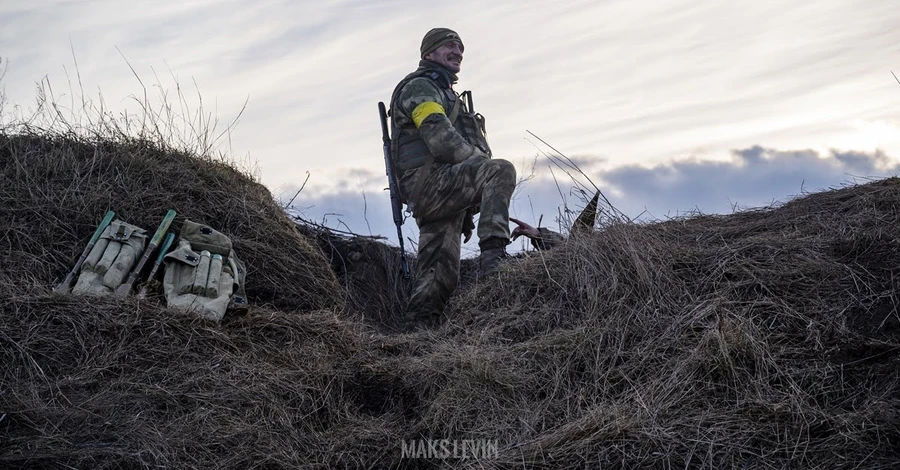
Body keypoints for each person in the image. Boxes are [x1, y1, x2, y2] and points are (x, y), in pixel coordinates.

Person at [388, 28, 516, 327]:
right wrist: (482, 169)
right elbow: (442, 141)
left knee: (440, 275)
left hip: (440, 188)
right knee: (500, 169)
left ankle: (418, 334)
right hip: (431, 185)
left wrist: (468, 204)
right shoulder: (419, 88)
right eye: (449, 45)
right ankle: (494, 258)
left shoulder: (443, 91)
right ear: (429, 53)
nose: (457, 51)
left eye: (460, 47)